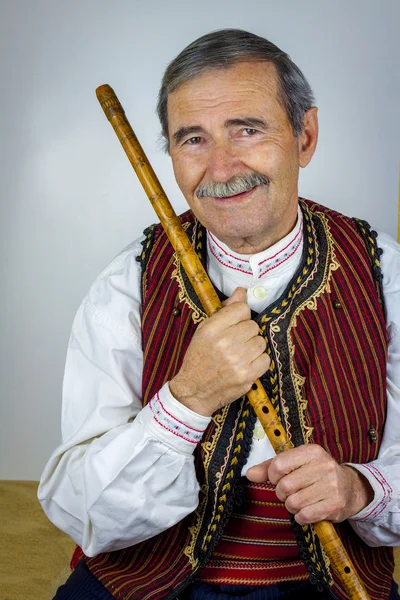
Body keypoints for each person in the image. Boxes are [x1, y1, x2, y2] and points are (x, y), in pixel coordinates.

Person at [38, 29, 400, 600]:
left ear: (304, 136)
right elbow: (81, 509)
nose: (222, 166)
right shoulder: (128, 280)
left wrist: (360, 489)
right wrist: (187, 400)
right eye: (193, 139)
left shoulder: (384, 271)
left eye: (248, 130)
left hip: (319, 587)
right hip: (148, 584)